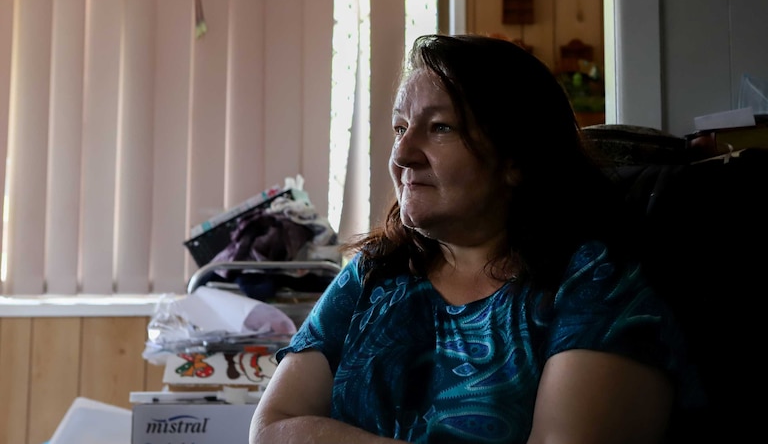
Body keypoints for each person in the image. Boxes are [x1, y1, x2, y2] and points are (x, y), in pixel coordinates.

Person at [249, 34, 706, 444]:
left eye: (440, 127)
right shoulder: (374, 272)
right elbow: (270, 429)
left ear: (517, 158)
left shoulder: (594, 285)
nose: (403, 155)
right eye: (400, 127)